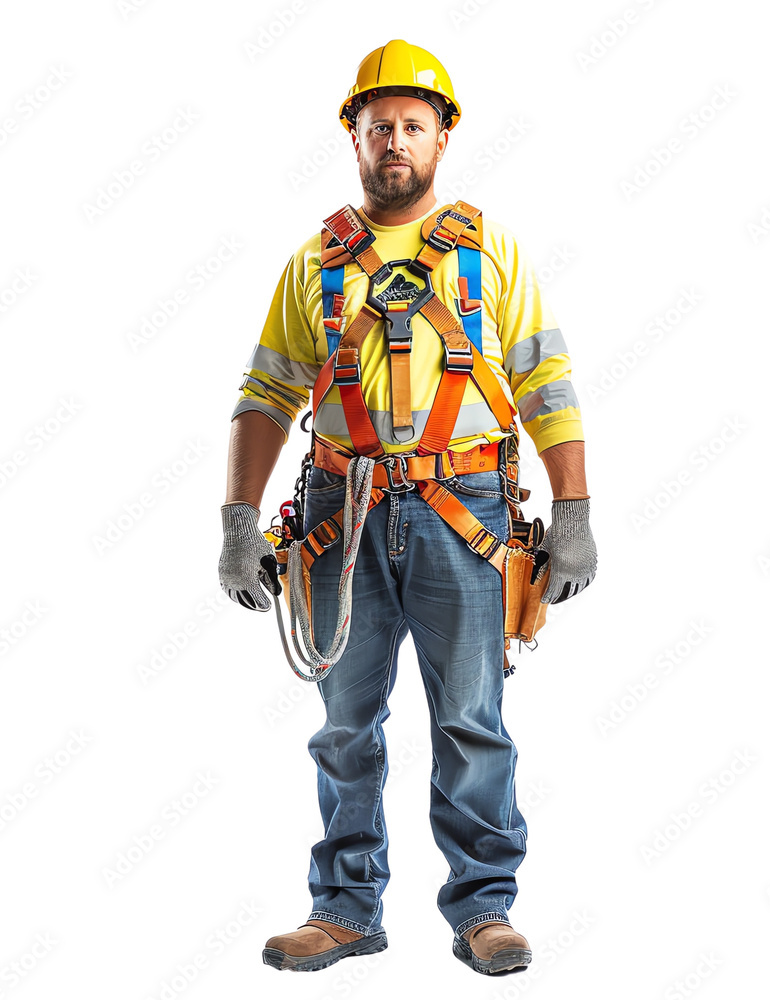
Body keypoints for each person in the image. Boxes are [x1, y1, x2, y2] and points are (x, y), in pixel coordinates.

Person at [218, 38, 597, 976]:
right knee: (344, 723)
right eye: (377, 124)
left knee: (471, 715)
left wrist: (576, 508)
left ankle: (485, 909)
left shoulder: (491, 254)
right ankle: (344, 908)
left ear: (441, 137)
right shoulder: (317, 264)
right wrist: (236, 523)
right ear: (353, 135)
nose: (395, 140)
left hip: (463, 512)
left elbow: (547, 381)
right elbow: (266, 394)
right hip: (338, 511)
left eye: (412, 126)